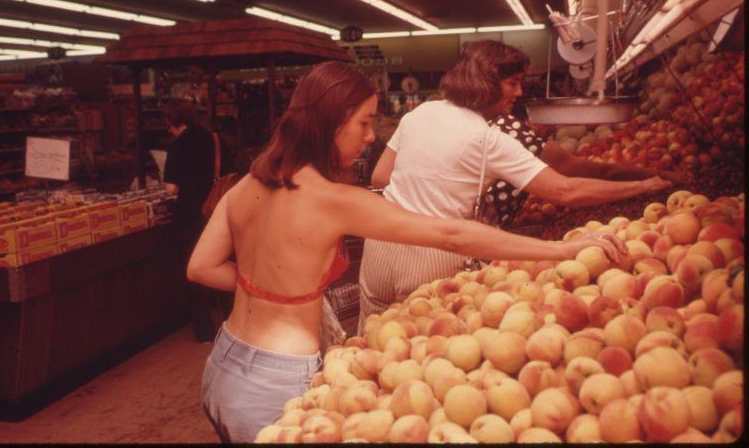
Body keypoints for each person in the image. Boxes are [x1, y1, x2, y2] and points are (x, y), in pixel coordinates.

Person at [186, 61, 627, 443]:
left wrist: (271, 290)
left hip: (223, 367)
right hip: (277, 381)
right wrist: (561, 249)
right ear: (331, 121)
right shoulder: (333, 199)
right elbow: (454, 236)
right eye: (364, 122)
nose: (371, 136)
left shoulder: (246, 184)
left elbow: (201, 268)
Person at [359, 40, 675, 332]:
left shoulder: (421, 113)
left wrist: (427, 188)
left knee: (368, 348)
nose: (519, 92)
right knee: (420, 350)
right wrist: (642, 186)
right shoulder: (488, 140)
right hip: (432, 254)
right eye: (512, 82)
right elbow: (566, 191)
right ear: (485, 83)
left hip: (380, 243)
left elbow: (380, 177)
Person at [163, 100, 216, 342]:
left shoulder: (176, 147)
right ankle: (229, 321)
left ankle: (204, 330)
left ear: (173, 122)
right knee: (218, 261)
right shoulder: (210, 138)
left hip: (189, 214)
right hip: (213, 210)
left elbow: (171, 189)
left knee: (194, 269)